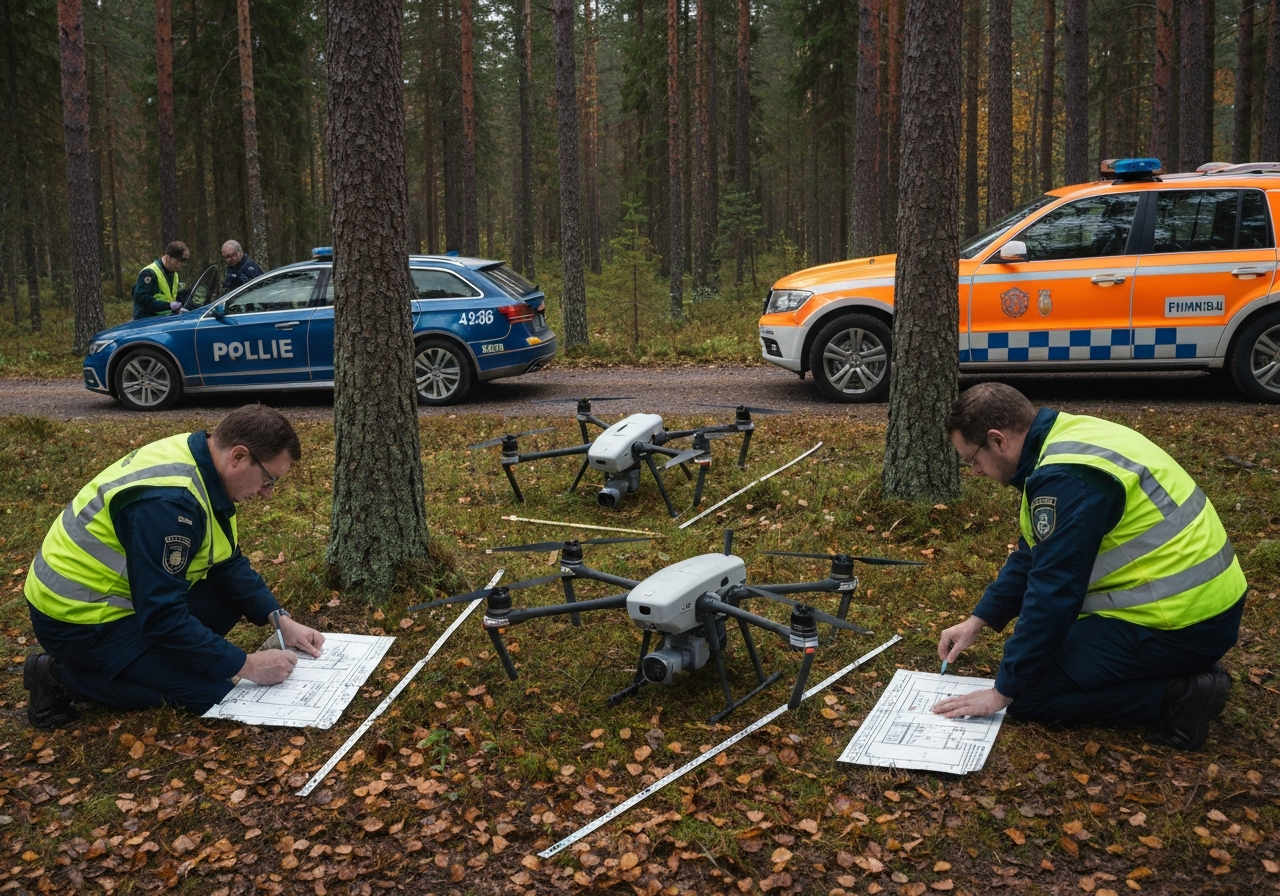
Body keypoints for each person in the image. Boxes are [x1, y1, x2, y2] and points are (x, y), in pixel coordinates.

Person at [932, 383, 1245, 751]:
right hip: (1196, 605)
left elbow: (1054, 593)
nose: (975, 473)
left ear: (998, 440)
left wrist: (1003, 691)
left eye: (972, 459)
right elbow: (1035, 553)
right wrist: (978, 620)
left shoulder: (1066, 479)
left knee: (1028, 697)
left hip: (1181, 623)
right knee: (1035, 660)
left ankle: (1181, 693)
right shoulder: (1069, 438)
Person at [22, 404, 325, 730]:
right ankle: (59, 675)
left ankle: (155, 662)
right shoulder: (171, 504)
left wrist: (279, 619)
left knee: (228, 600)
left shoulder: (204, 463)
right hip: (78, 623)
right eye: (269, 479)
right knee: (214, 694)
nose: (267, 493)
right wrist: (245, 665)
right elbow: (162, 616)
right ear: (238, 456)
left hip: (126, 603)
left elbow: (227, 563)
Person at [132, 240, 190, 320]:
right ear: (168, 258)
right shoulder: (150, 273)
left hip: (162, 320)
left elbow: (171, 297)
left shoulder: (173, 274)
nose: (181, 265)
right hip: (146, 322)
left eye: (183, 262)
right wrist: (168, 306)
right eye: (178, 261)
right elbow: (142, 299)